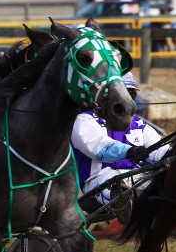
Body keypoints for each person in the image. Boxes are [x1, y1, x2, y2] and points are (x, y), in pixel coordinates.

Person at [72, 71, 170, 225]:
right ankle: (126, 204)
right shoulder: (85, 119)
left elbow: (159, 149)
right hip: (98, 179)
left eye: (130, 94)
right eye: (121, 93)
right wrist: (130, 151)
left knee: (165, 177)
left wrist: (172, 154)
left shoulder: (138, 124)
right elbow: (98, 147)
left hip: (136, 176)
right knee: (115, 183)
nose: (125, 100)